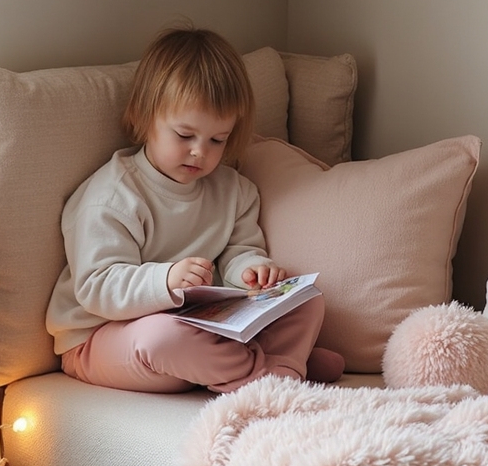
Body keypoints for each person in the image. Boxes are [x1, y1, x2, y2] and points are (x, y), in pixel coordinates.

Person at [47, 25, 344, 394]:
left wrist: (253, 272)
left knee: (307, 300)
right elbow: (97, 286)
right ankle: (276, 371)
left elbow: (239, 251)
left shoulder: (233, 191)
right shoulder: (112, 197)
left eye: (217, 140)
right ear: (145, 117)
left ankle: (265, 367)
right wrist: (166, 280)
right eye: (185, 135)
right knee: (162, 337)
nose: (199, 152)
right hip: (101, 339)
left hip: (199, 329)